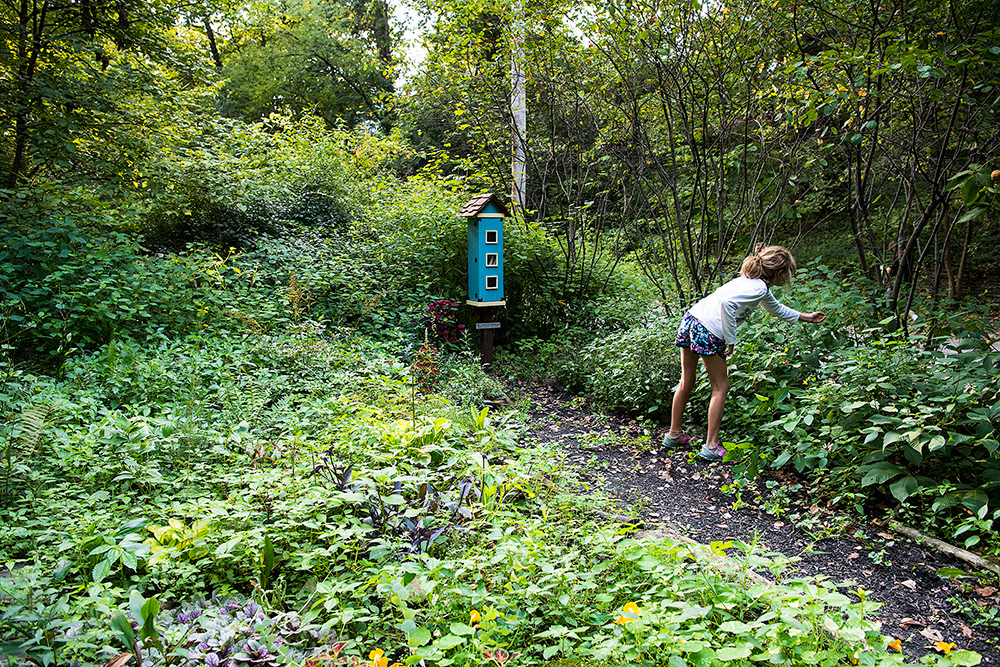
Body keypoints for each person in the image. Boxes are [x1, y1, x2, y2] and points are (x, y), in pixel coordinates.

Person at [662, 245, 826, 461]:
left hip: (692, 318)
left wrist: (807, 317)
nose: (788, 278)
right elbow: (727, 305)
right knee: (721, 387)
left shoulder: (751, 283)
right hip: (708, 329)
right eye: (788, 273)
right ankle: (711, 445)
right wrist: (731, 340)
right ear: (779, 273)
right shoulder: (757, 288)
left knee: (687, 380)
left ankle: (674, 434)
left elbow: (776, 309)